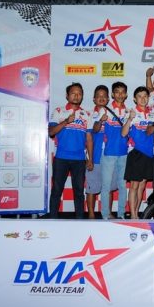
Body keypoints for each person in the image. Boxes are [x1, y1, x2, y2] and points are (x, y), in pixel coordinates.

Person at [48, 83, 92, 219]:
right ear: (67, 96)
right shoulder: (58, 111)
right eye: (73, 93)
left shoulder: (86, 114)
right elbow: (51, 132)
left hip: (79, 159)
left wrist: (90, 159)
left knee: (79, 192)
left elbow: (89, 138)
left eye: (79, 93)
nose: (76, 96)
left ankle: (80, 221)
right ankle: (52, 220)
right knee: (56, 190)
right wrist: (66, 121)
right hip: (61, 158)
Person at [121, 87, 154, 219]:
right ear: (134, 99)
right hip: (136, 152)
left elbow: (152, 132)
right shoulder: (131, 112)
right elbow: (123, 133)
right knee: (134, 186)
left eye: (145, 96)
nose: (143, 98)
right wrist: (130, 119)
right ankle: (133, 215)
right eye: (139, 96)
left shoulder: (152, 113)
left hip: (149, 153)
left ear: (148, 98)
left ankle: (136, 212)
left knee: (142, 185)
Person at [99, 82, 129, 219]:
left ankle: (121, 214)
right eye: (117, 91)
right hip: (109, 154)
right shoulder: (105, 110)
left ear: (126, 95)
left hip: (124, 153)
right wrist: (100, 121)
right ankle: (105, 215)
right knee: (106, 186)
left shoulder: (129, 112)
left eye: (123, 92)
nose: (120, 94)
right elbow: (95, 129)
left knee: (123, 186)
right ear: (112, 94)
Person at [86, 85, 110, 219]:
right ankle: (91, 214)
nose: (101, 98)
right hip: (95, 156)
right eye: (98, 96)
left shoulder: (113, 114)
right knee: (92, 187)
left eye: (104, 96)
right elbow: (93, 131)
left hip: (110, 156)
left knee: (109, 187)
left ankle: (108, 213)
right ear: (94, 99)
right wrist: (100, 119)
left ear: (108, 99)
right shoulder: (89, 114)